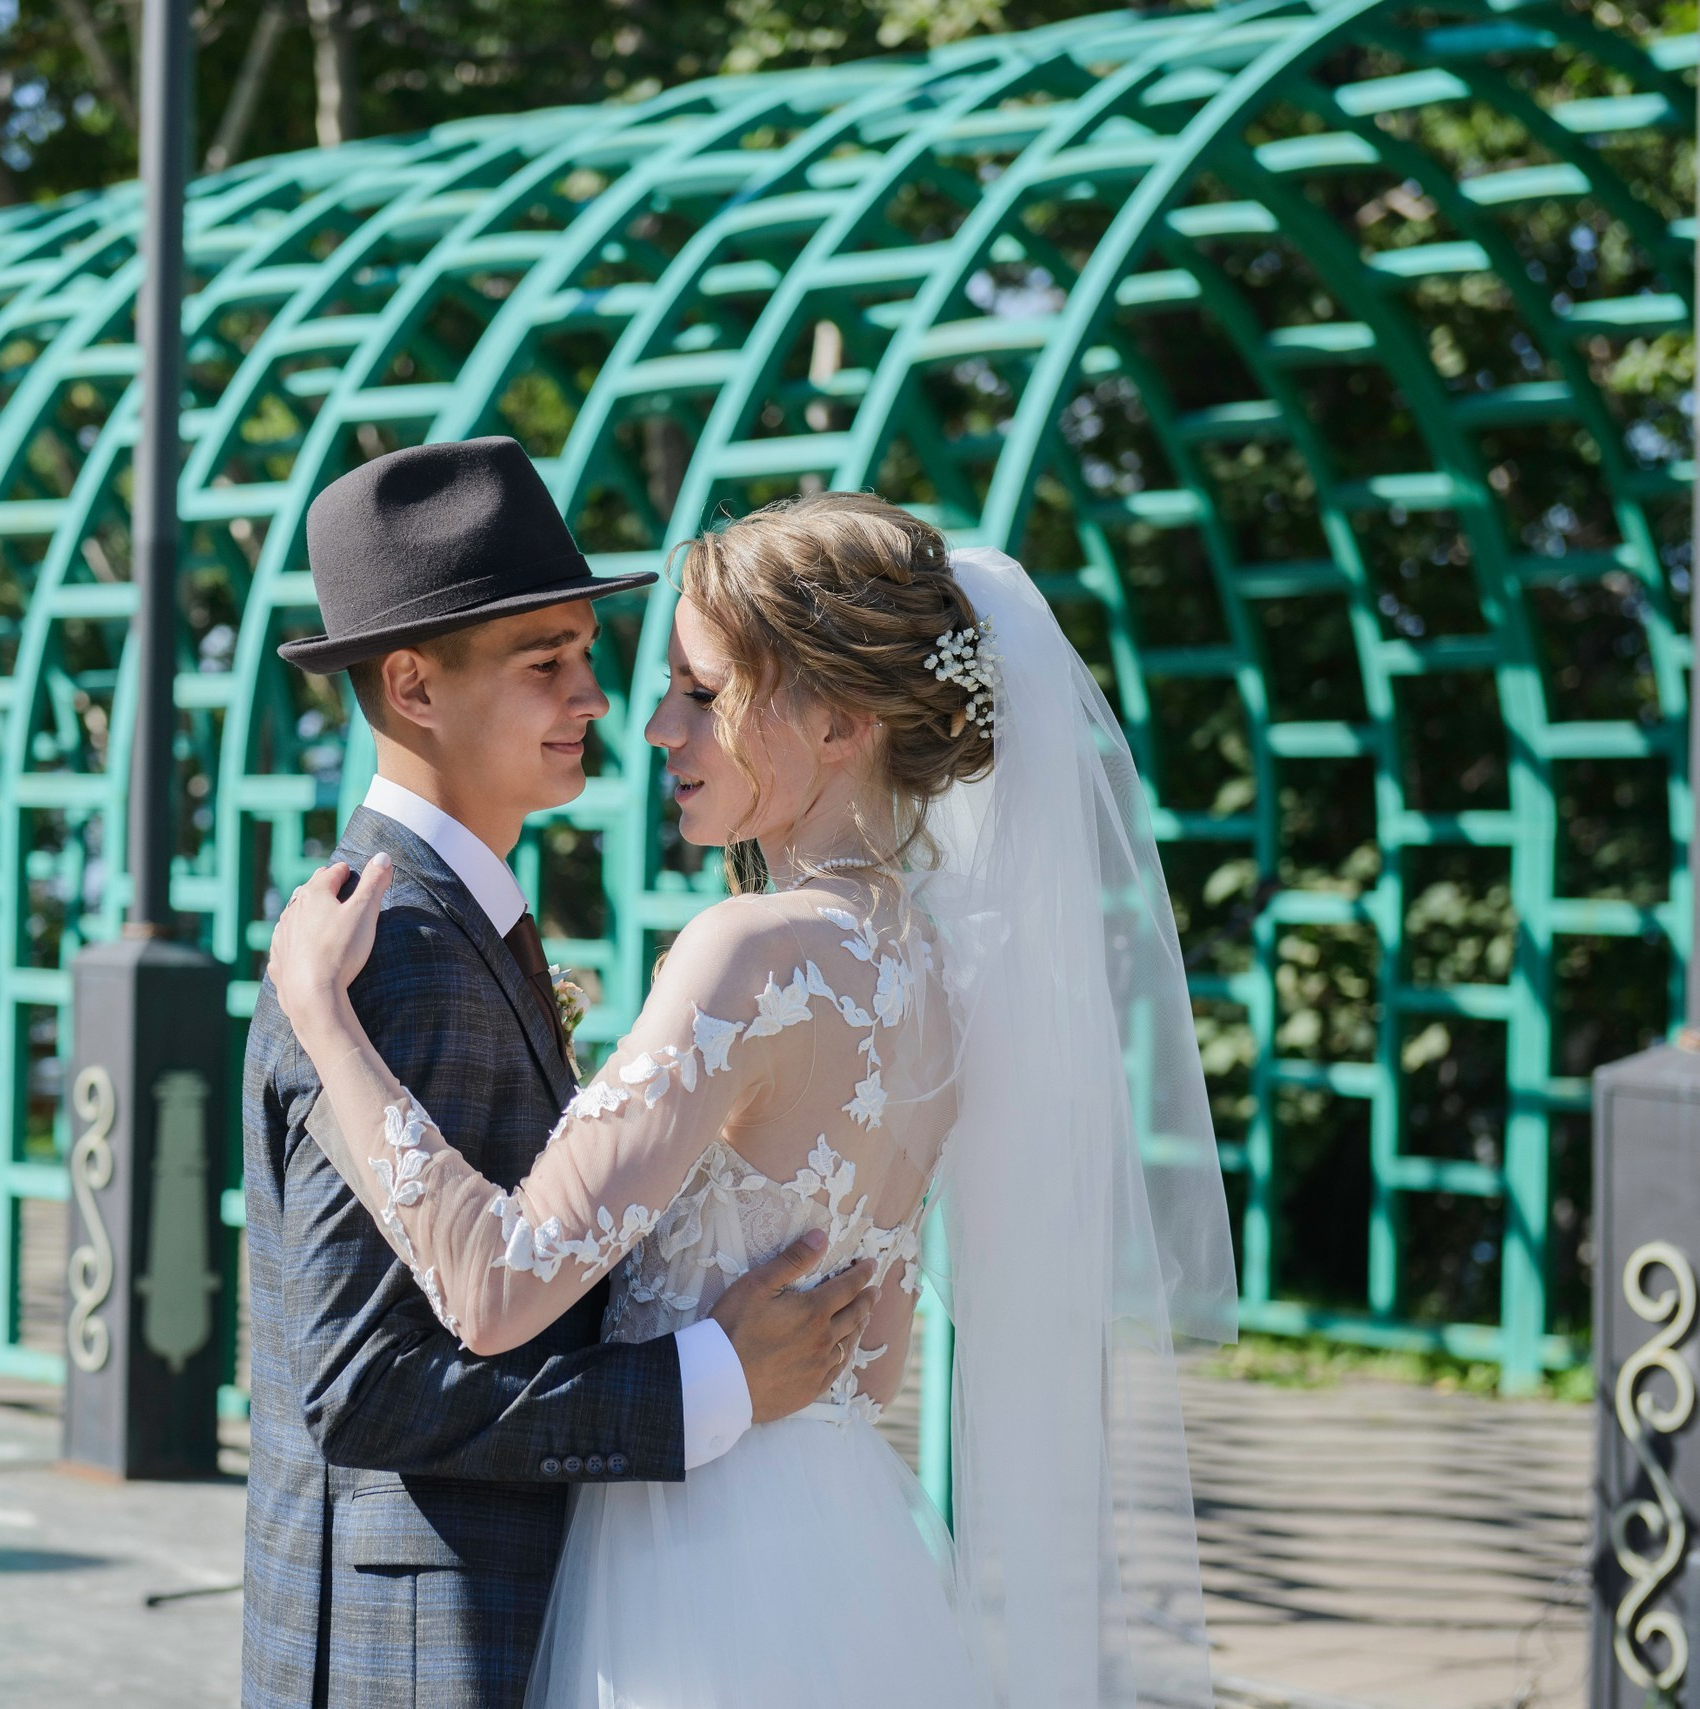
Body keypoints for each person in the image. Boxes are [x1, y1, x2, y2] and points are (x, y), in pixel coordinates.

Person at [268, 491, 1241, 1707]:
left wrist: (322, 1017)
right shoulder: (940, 973)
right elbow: (870, 1356)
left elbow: (498, 1285)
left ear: (835, 718)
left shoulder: (750, 953)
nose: (656, 726)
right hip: (846, 1546)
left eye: (702, 691)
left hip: (684, 1574)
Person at [241, 438, 886, 1709]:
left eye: (589, 653)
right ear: (414, 685)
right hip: (423, 1648)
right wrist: (711, 1383)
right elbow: (360, 1383)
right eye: (548, 662)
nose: (596, 698)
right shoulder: (392, 951)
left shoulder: (454, 921)